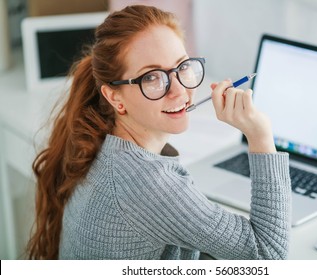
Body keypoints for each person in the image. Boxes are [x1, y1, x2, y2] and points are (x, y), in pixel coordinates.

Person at [27, 5, 291, 260]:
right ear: (114, 97)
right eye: (151, 77)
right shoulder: (147, 186)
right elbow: (268, 254)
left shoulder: (105, 144)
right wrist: (260, 136)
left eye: (182, 67)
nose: (178, 90)